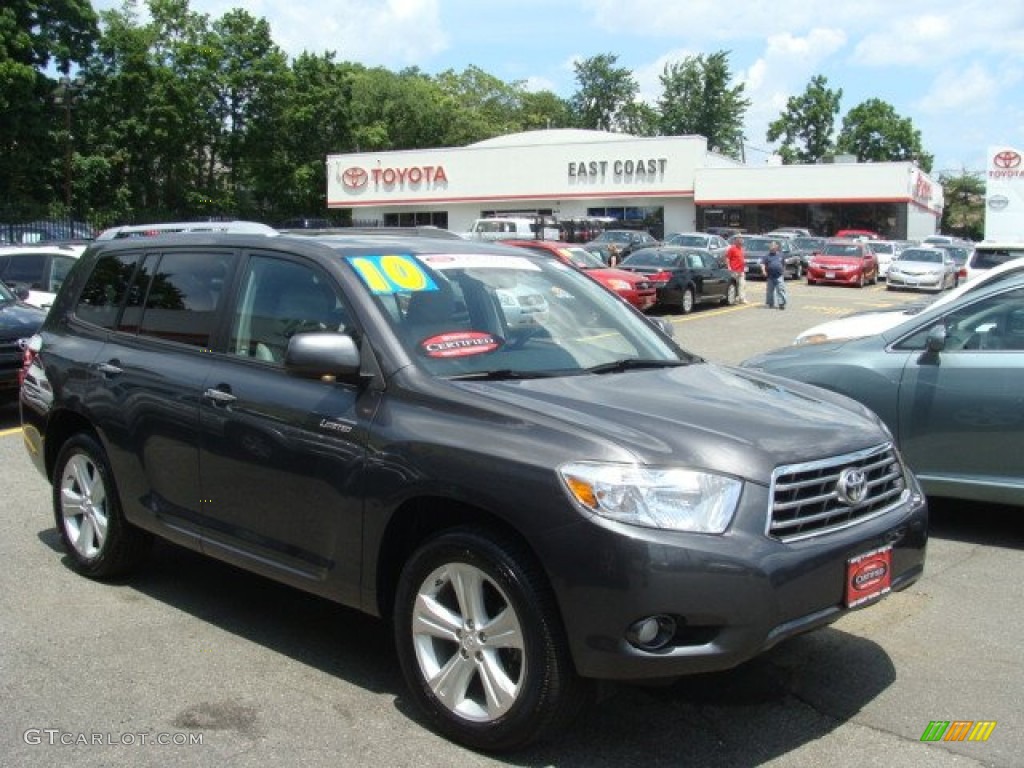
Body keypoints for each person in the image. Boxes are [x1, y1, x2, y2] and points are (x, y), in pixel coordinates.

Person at [760, 241, 788, 309]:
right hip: (770, 276)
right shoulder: (767, 256)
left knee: (781, 290)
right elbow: (762, 264)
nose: (772, 248)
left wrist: (783, 271)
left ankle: (781, 304)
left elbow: (784, 264)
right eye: (771, 246)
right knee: (769, 291)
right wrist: (763, 271)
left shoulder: (781, 255)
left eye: (773, 246)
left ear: (776, 247)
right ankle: (770, 303)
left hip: (779, 276)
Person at [724, 235, 747, 303]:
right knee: (734, 285)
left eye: (741, 241)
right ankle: (734, 298)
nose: (741, 242)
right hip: (734, 270)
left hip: (741, 270)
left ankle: (742, 298)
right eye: (739, 241)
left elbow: (742, 259)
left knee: (742, 284)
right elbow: (727, 258)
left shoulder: (741, 249)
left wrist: (744, 266)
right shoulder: (732, 249)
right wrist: (728, 266)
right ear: (736, 242)